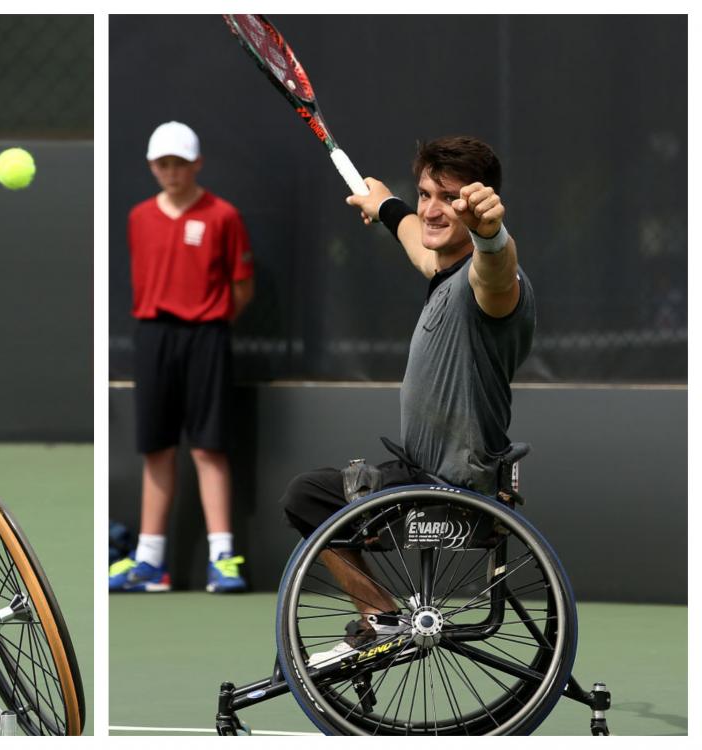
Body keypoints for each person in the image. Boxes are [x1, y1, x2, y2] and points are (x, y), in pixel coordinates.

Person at [280, 135, 535, 667]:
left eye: (450, 197)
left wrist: (493, 234)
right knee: (314, 494)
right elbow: (420, 244)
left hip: (449, 486)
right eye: (425, 195)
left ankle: (381, 621)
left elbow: (496, 267)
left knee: (308, 496)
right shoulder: (442, 268)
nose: (433, 209)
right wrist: (387, 204)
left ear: (479, 200)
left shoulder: (489, 285)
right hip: (425, 473)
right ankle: (383, 620)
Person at [109, 121, 254, 594]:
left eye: (179, 163)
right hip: (154, 338)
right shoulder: (138, 218)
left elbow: (241, 287)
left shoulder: (223, 216)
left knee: (209, 447)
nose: (171, 171)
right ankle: (150, 562)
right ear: (153, 166)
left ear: (196, 164)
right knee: (157, 448)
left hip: (208, 337)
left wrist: (210, 323)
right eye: (162, 163)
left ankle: (222, 557)